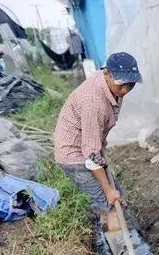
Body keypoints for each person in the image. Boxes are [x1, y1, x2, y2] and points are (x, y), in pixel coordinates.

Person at [53, 52, 141, 233]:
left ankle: (129, 234)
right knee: (108, 203)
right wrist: (108, 191)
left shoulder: (112, 87)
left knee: (119, 197)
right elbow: (91, 156)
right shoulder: (94, 102)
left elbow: (94, 148)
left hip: (90, 148)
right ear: (107, 73)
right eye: (122, 85)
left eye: (130, 85)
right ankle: (122, 253)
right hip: (74, 155)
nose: (125, 90)